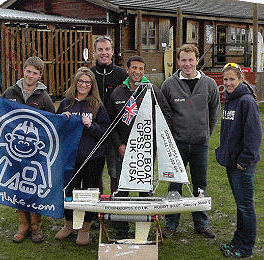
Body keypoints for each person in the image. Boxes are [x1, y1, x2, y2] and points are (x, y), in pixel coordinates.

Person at [0, 56, 55, 243]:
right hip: (13, 151)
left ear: (40, 76)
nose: (30, 75)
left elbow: (51, 125)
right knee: (16, 188)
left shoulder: (44, 98)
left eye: (35, 73)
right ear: (23, 71)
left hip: (34, 154)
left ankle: (36, 226)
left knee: (33, 189)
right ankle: (22, 225)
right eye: (28, 71)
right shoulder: (10, 92)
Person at [107, 56, 173, 240]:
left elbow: (166, 116)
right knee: (122, 189)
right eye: (134, 68)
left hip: (145, 149)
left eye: (141, 69)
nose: (137, 72)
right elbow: (110, 123)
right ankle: (121, 226)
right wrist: (119, 144)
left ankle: (144, 225)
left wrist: (150, 136)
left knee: (144, 189)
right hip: (123, 149)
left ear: (144, 71)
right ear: (127, 69)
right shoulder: (118, 93)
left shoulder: (152, 91)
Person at [161, 44, 221, 239]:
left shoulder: (209, 84)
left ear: (197, 60)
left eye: (191, 59)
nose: (187, 64)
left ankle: (201, 223)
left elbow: (214, 112)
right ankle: (171, 223)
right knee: (174, 185)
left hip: (199, 144)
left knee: (200, 185)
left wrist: (206, 133)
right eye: (183, 60)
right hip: (176, 145)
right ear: (178, 61)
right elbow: (164, 113)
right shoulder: (169, 84)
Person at [54, 67, 110, 245]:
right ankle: (69, 224)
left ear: (92, 85)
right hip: (71, 156)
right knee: (69, 192)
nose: (83, 85)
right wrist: (61, 119)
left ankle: (85, 227)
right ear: (75, 82)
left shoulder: (97, 105)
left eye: (87, 82)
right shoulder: (65, 103)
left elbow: (105, 131)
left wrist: (90, 125)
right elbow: (56, 129)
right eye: (81, 81)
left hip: (93, 157)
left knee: (90, 192)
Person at [216, 63, 262, 258]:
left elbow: (254, 134)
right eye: (225, 80)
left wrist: (244, 160)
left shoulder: (246, 101)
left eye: (232, 79)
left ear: (240, 79)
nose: (228, 83)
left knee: (245, 206)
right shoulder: (231, 99)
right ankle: (238, 240)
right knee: (240, 204)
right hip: (232, 161)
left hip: (242, 165)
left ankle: (245, 248)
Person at [91, 35, 128, 195]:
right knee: (94, 172)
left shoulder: (121, 75)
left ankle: (115, 208)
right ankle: (96, 210)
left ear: (112, 51)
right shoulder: (89, 74)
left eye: (107, 49)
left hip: (116, 133)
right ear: (95, 53)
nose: (104, 53)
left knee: (116, 172)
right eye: (100, 49)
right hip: (94, 131)